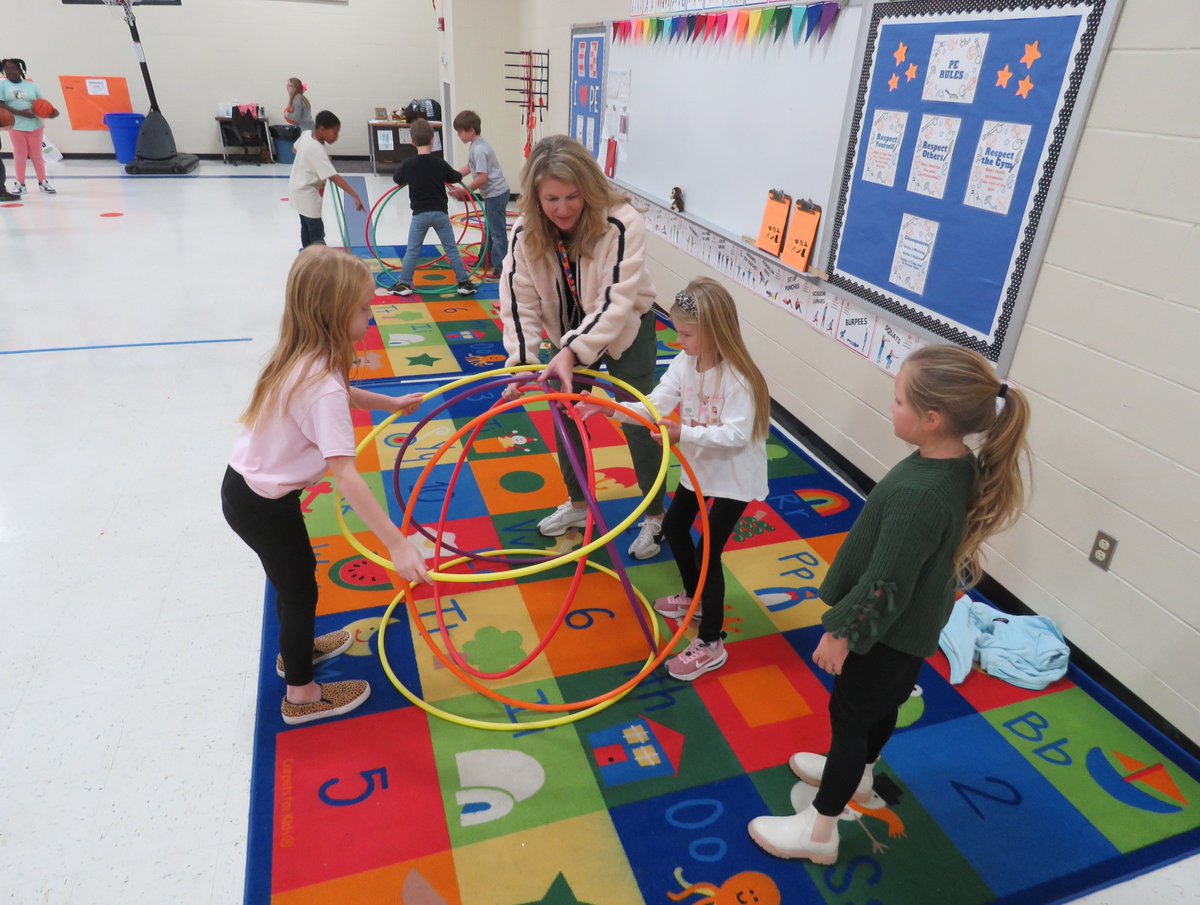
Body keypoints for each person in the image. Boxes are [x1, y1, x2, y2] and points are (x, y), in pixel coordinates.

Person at [747, 345, 1031, 864]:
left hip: (884, 634)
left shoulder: (921, 495)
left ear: (931, 418)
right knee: (877, 710)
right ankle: (860, 775)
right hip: (908, 633)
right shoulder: (951, 465)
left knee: (851, 717)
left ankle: (820, 831)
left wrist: (843, 633)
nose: (890, 406)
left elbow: (885, 585)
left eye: (898, 400)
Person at [222, 246, 430, 725]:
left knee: (295, 581)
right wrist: (397, 544)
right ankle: (301, 696)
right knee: (299, 590)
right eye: (363, 308)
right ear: (334, 313)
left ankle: (297, 648)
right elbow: (346, 475)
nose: (370, 315)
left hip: (250, 491)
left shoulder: (308, 354)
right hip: (261, 505)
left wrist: (391, 405)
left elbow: (347, 392)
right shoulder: (323, 385)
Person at [577, 278, 769, 679]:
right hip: (699, 470)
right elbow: (654, 405)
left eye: (685, 333)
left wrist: (685, 433)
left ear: (715, 332)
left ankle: (712, 640)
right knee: (676, 529)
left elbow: (735, 436)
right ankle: (694, 598)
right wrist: (609, 407)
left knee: (707, 554)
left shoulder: (740, 379)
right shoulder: (685, 364)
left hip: (733, 477)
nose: (678, 340)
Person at [499, 134, 665, 559]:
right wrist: (521, 364)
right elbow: (518, 301)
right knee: (565, 415)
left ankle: (655, 515)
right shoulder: (524, 232)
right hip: (565, 337)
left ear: (590, 189)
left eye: (573, 196)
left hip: (626, 329)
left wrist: (571, 352)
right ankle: (577, 505)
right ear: (535, 197)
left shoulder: (622, 222)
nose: (563, 208)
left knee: (637, 420)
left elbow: (615, 302)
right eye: (551, 198)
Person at [388, 118, 477, 297]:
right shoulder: (439, 163)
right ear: (432, 140)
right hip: (440, 214)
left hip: (419, 215)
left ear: (412, 142)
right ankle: (464, 283)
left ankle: (404, 283)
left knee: (412, 249)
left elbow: (397, 179)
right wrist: (467, 168)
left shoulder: (408, 164)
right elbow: (454, 177)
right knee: (451, 248)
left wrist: (410, 177)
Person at [287, 110, 364, 249]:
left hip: (296, 188)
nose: (337, 137)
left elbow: (294, 148)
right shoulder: (317, 149)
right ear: (322, 129)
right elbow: (333, 176)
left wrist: (312, 159)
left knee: (305, 225)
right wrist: (354, 195)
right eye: (334, 133)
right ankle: (319, 260)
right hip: (307, 194)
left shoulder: (306, 135)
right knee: (316, 231)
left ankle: (308, 255)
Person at [449, 110, 511, 280]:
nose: (459, 135)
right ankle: (485, 261)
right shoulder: (476, 146)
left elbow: (483, 178)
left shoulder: (480, 149)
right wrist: (450, 176)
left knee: (497, 232)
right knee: (489, 229)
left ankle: (501, 269)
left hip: (496, 194)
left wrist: (464, 191)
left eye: (460, 132)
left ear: (471, 131)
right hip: (492, 194)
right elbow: (470, 168)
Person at [0, 58, 59, 195]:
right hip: (16, 125)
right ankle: (20, 183)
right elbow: (1, 104)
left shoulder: (31, 86)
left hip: (35, 125)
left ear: (20, 70)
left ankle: (43, 182)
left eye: (13, 68)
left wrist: (50, 112)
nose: (10, 72)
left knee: (37, 155)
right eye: (6, 70)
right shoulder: (3, 86)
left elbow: (42, 103)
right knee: (19, 154)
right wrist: (20, 113)